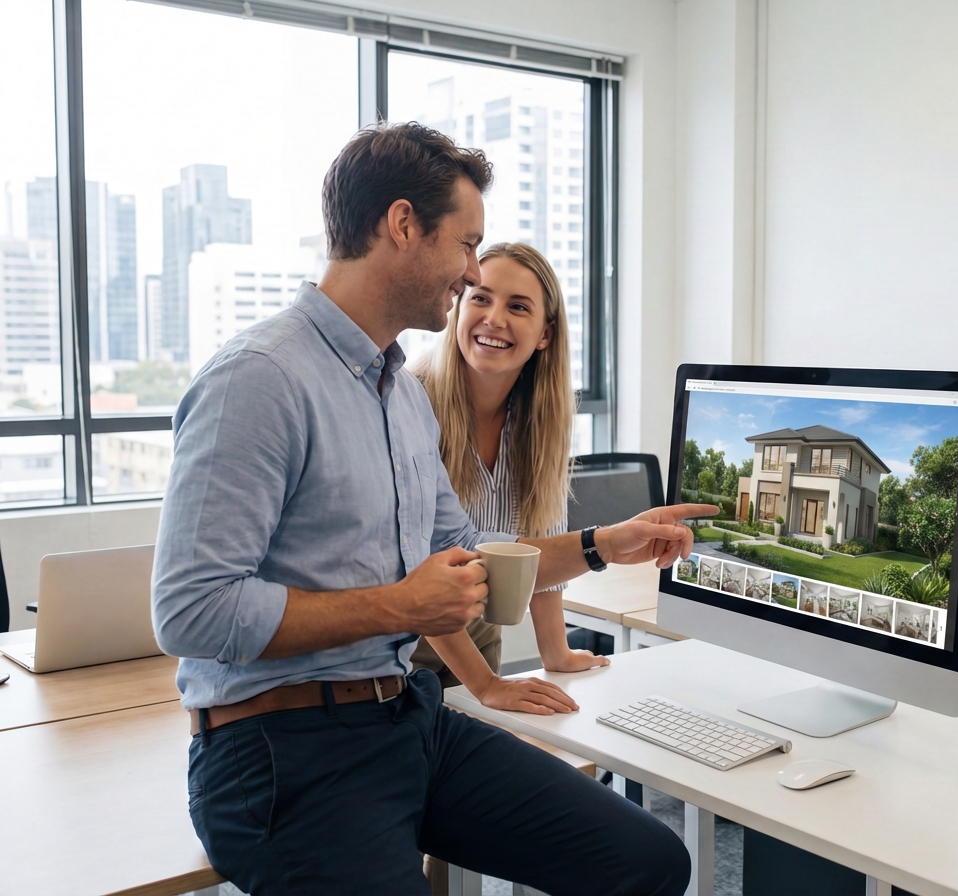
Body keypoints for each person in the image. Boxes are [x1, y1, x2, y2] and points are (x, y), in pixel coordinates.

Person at [152, 121, 709, 896]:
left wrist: (600, 544)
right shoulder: (259, 379)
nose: (471, 271)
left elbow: (463, 547)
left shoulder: (394, 393)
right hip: (279, 751)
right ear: (403, 225)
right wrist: (400, 605)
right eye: (466, 245)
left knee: (649, 862)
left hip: (405, 720)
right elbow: (191, 612)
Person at [409, 241, 607, 712]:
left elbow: (542, 540)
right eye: (479, 297)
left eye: (518, 307)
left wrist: (554, 654)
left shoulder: (540, 424)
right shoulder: (411, 402)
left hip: (477, 639)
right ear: (457, 308)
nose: (494, 318)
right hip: (405, 642)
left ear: (544, 335)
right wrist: (485, 685)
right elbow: (417, 560)